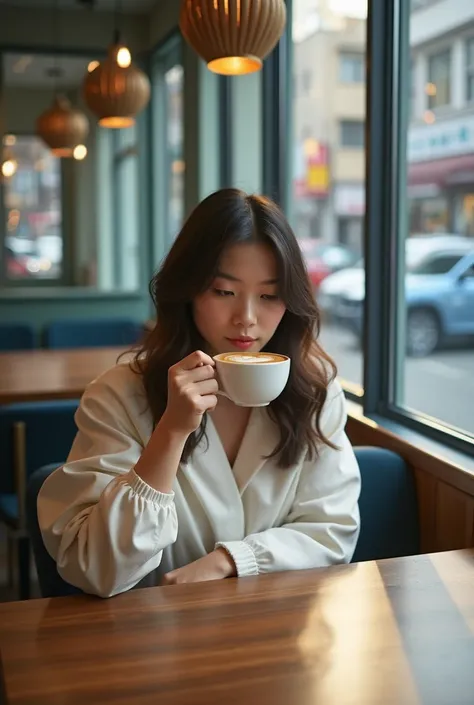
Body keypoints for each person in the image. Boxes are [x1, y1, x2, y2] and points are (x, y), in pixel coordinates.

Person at [38, 188, 361, 598]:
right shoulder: (119, 395)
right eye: (224, 292)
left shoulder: (315, 391)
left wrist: (232, 561)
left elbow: (332, 532)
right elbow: (95, 567)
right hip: (153, 639)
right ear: (188, 289)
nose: (246, 318)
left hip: (278, 633)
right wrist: (170, 432)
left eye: (269, 295)